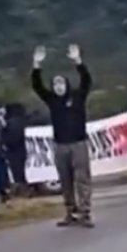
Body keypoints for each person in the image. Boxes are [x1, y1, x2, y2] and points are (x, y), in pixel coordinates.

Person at [32, 44, 94, 227]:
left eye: (61, 83)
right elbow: (37, 87)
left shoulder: (77, 96)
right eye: (55, 84)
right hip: (60, 145)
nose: (58, 87)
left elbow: (87, 80)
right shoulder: (52, 101)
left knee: (82, 179)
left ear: (66, 84)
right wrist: (36, 64)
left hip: (78, 143)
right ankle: (70, 211)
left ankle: (85, 212)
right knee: (65, 180)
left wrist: (78, 61)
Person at [2, 103, 29, 195]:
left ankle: (22, 191)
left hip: (14, 151)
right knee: (19, 171)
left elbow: (13, 137)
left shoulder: (13, 122)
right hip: (20, 150)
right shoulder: (19, 120)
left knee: (17, 171)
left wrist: (5, 141)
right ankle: (22, 190)